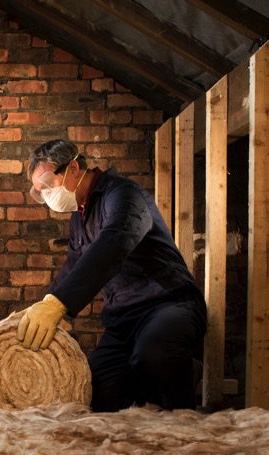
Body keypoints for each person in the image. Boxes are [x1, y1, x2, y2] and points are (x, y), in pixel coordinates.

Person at [17, 139, 207, 411]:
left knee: (155, 354)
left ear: (73, 168)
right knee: (97, 392)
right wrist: (44, 304)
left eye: (47, 184)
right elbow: (74, 264)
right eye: (39, 191)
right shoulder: (79, 215)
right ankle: (158, 376)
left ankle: (182, 372)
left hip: (169, 305)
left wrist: (60, 304)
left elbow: (115, 240)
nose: (46, 195)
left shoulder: (124, 195)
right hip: (123, 321)